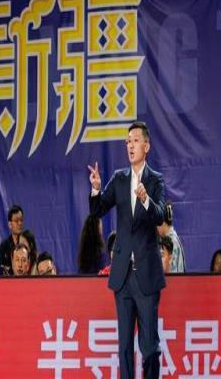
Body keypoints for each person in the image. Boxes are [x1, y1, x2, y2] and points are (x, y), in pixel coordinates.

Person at [88, 121, 165, 379]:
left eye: (135, 141)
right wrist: (96, 188)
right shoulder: (119, 179)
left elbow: (160, 216)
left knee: (149, 347)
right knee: (124, 348)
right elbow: (97, 210)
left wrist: (145, 199)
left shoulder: (155, 180)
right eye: (127, 142)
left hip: (146, 274)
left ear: (147, 146)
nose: (130, 146)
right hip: (122, 275)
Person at [157, 201, 186, 273]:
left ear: (162, 222)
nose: (156, 227)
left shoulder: (172, 241)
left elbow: (173, 273)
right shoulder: (172, 239)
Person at [0, 205, 24, 275]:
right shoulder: (4, 244)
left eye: (21, 220)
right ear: (10, 224)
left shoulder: (27, 243)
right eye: (16, 221)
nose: (20, 223)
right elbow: (0, 268)